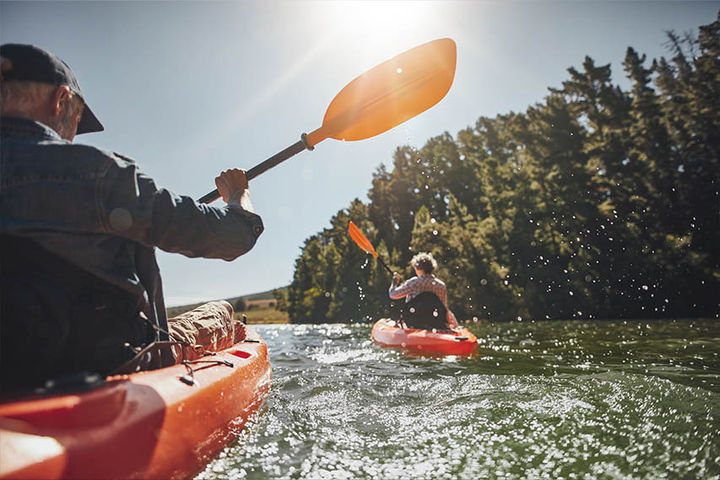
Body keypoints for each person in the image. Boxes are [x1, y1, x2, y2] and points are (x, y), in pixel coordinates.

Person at [0, 44, 264, 391]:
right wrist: (237, 196)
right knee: (222, 311)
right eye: (77, 119)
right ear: (61, 101)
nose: (74, 134)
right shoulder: (102, 175)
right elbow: (234, 237)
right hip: (113, 366)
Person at [388, 252, 459, 330]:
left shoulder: (414, 282)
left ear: (418, 268)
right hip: (435, 322)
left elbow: (393, 294)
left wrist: (394, 282)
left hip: (414, 321)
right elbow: (444, 307)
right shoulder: (441, 285)